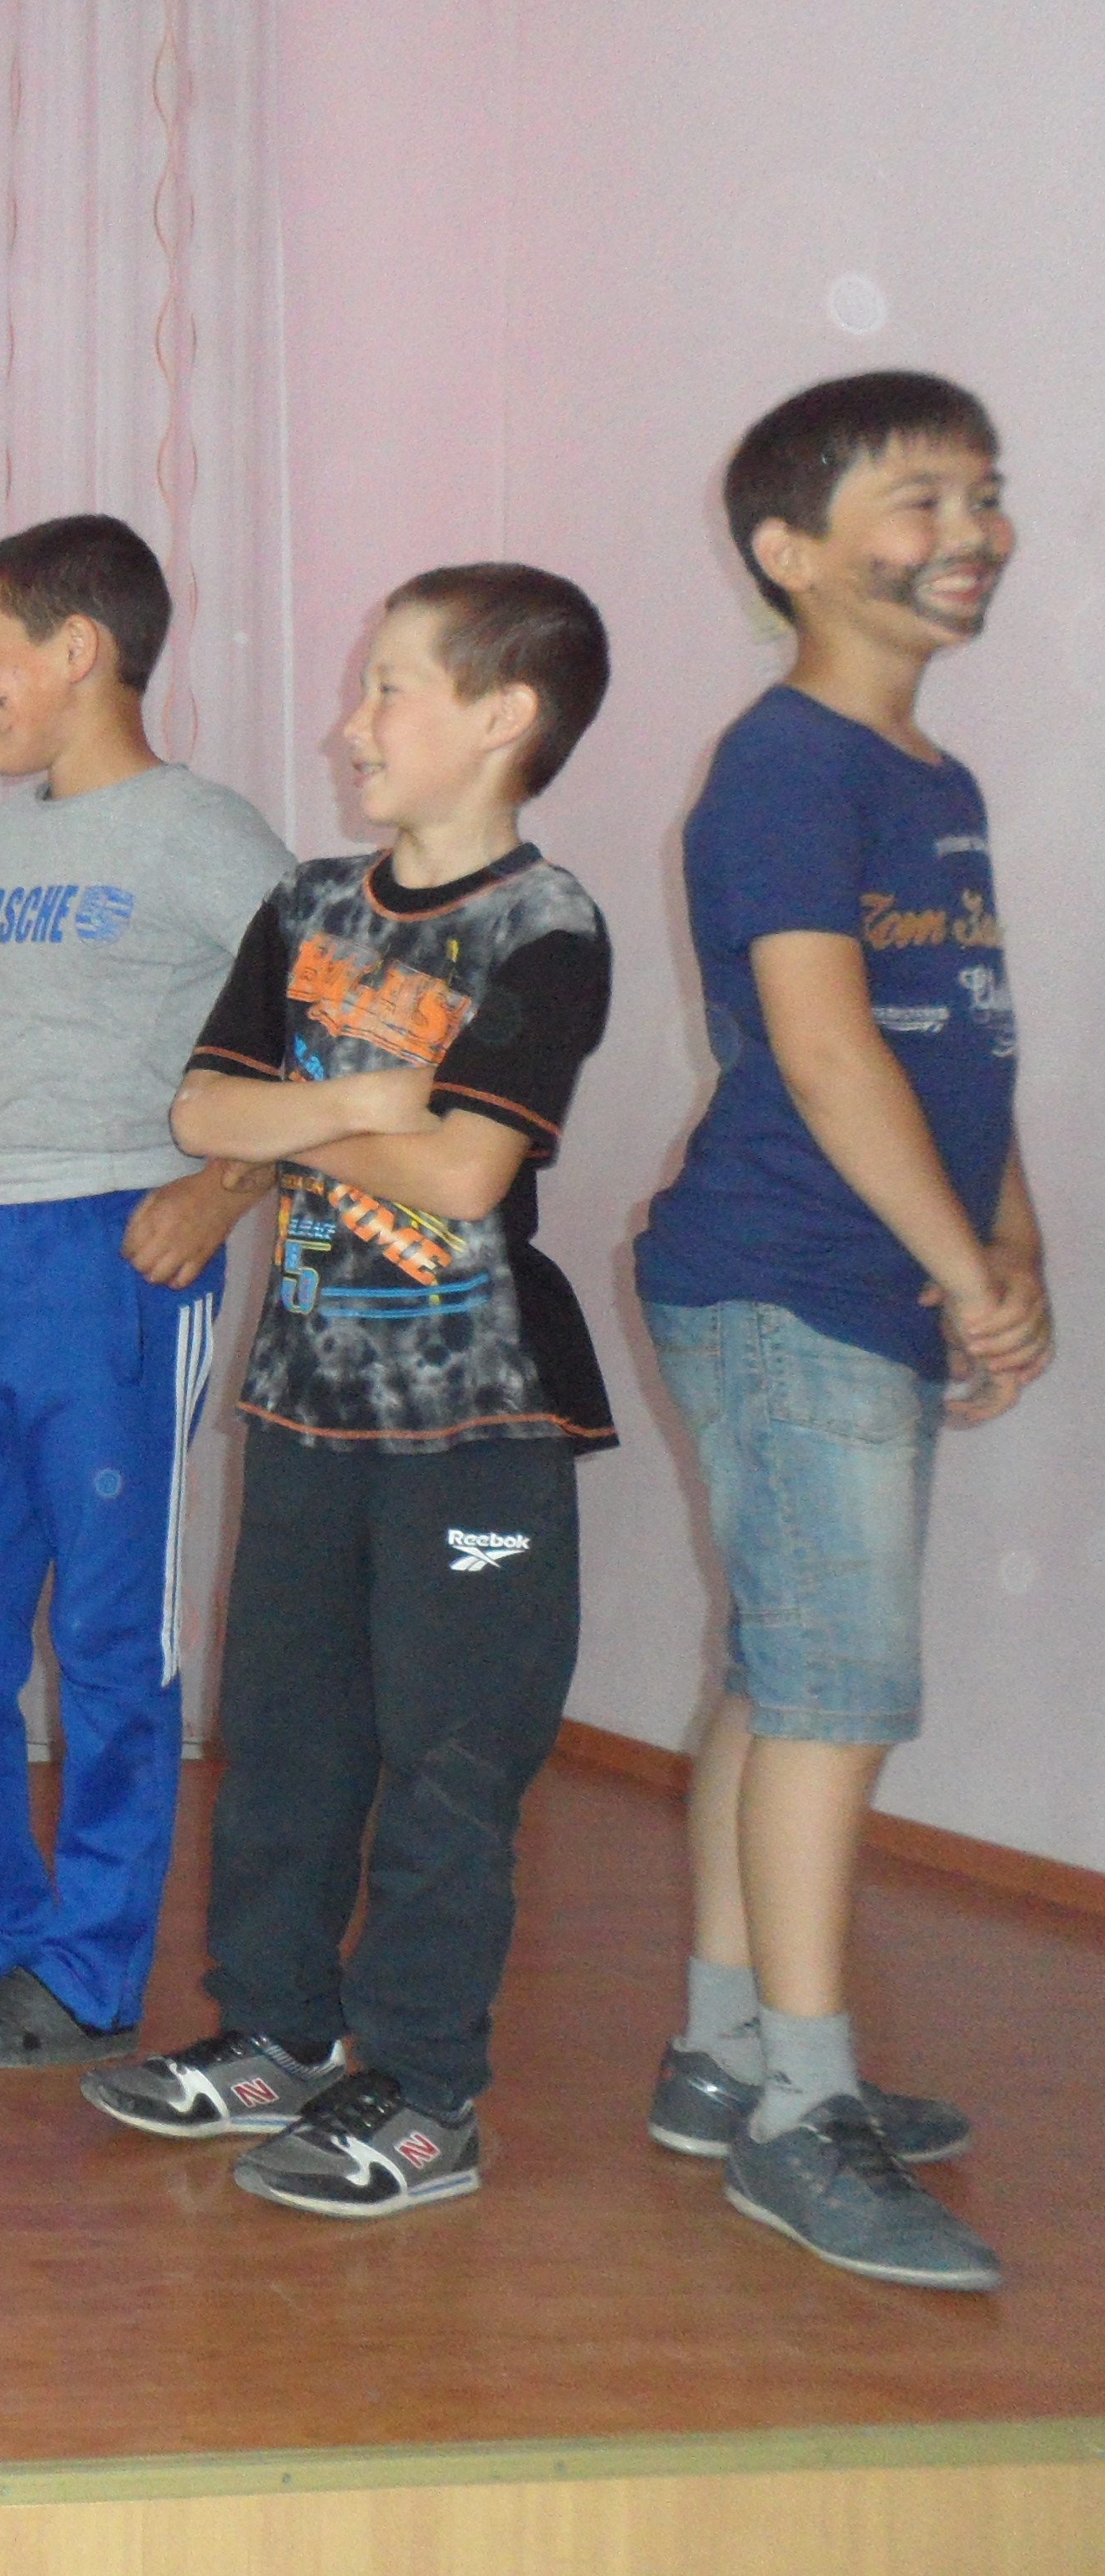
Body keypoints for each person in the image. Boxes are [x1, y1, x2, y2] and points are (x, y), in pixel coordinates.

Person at [86, 564, 615, 2220]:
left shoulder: (546, 928)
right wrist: (383, 1092)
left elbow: (466, 1177)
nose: (353, 721)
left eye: (390, 687)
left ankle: (427, 2096)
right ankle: (277, 2038)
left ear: (503, 717)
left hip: (475, 1422)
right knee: (285, 1746)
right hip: (303, 1404)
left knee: (448, 1770)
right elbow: (200, 1116)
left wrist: (322, 1112)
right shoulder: (307, 907)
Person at [632, 373, 1038, 2293]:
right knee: (831, 1692)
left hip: (850, 1274)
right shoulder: (784, 764)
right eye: (919, 497)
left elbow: (959, 1042)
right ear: (789, 553)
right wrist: (957, 1264)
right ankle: (802, 2109)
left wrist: (1006, 1241)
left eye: (984, 490)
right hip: (789, 1273)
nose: (970, 527)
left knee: (779, 1668)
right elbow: (819, 1043)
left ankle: (724, 2055)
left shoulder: (930, 782)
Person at [0, 516, 291, 2068]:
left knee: (106, 1635)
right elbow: (33, 1043)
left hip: (119, 1260)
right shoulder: (10, 840)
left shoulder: (204, 833)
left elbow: (333, 1030)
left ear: (78, 648)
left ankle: (86, 1974)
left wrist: (222, 1188)